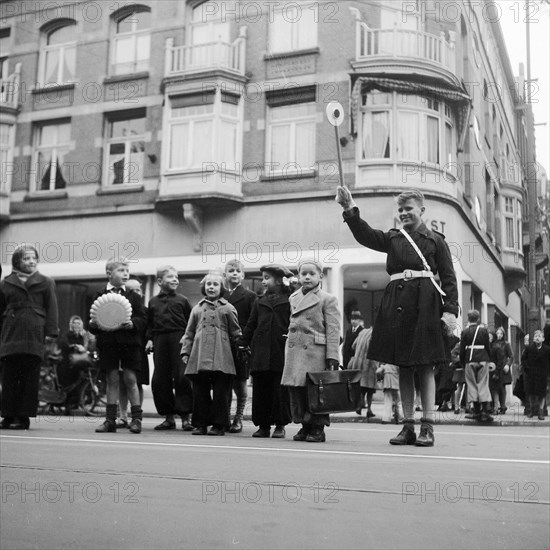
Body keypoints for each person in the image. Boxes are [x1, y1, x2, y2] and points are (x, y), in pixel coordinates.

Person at [336, 187, 459, 447]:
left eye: (409, 209)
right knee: (403, 366)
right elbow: (365, 235)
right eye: (400, 210)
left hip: (425, 305)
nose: (404, 213)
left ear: (422, 210)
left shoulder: (436, 241)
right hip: (397, 305)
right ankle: (408, 425)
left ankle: (428, 426)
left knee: (425, 366)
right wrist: (349, 209)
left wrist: (450, 311)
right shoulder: (393, 238)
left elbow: (449, 279)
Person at [281, 258, 341, 443]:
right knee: (297, 391)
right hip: (296, 350)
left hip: (316, 352)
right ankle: (304, 425)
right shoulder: (293, 297)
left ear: (320, 276)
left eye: (311, 274)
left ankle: (317, 427)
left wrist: (332, 356)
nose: (307, 277)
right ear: (298, 276)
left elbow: (333, 330)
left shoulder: (328, 299)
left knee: (315, 392)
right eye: (303, 274)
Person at [0, 244, 59, 430]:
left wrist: (51, 334)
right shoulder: (5, 283)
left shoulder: (46, 282)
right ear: (17, 261)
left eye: (34, 258)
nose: (31, 261)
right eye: (26, 258)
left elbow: (52, 309)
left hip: (34, 335)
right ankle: (8, 416)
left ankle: (23, 417)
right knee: (9, 377)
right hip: (11, 335)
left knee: (28, 378)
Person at [180, 270, 242, 436]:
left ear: (221, 287)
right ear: (204, 287)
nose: (211, 287)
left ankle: (219, 425)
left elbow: (236, 333)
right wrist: (185, 352)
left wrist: (241, 350)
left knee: (221, 392)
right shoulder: (197, 309)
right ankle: (200, 424)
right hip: (199, 356)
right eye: (209, 284)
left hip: (222, 356)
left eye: (215, 284)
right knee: (200, 392)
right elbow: (189, 333)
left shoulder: (228, 309)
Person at [89, 258, 147, 434]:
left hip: (129, 344)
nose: (126, 273)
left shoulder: (133, 296)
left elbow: (143, 319)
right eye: (121, 270)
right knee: (112, 379)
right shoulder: (99, 295)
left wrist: (133, 324)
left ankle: (136, 419)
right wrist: (95, 324)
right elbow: (91, 319)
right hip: (108, 344)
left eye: (127, 270)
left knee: (130, 379)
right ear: (109, 274)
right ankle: (110, 420)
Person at [239, 264, 293, 438]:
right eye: (263, 278)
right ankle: (263, 425)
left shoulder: (290, 300)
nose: (263, 281)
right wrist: (243, 342)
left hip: (280, 351)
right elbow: (251, 324)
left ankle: (280, 425)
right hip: (260, 353)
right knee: (261, 390)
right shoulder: (259, 301)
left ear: (279, 280)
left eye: (267, 278)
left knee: (280, 391)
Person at [146, 266, 193, 431]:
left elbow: (191, 323)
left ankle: (186, 417)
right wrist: (150, 340)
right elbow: (149, 325)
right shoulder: (152, 302)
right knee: (160, 379)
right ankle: (169, 417)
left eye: (176, 277)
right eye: (170, 277)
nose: (175, 279)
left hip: (179, 339)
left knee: (182, 377)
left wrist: (187, 339)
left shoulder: (183, 300)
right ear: (159, 281)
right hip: (160, 340)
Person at [224, 259, 257, 433]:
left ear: (243, 275)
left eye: (238, 271)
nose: (234, 273)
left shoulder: (250, 296)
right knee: (224, 383)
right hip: (223, 344)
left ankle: (238, 418)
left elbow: (253, 322)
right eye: (231, 271)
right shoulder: (220, 295)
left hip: (241, 344)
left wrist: (247, 343)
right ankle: (224, 417)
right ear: (225, 274)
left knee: (240, 382)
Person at [116, 278, 151, 429]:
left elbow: (150, 328)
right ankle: (122, 416)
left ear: (142, 292)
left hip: (140, 350)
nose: (135, 293)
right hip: (124, 349)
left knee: (138, 383)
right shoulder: (118, 309)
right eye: (131, 290)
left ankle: (136, 417)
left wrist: (150, 340)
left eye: (138, 290)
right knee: (122, 384)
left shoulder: (146, 311)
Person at [459, 310, 494, 423]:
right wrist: (489, 358)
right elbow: (488, 346)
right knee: (483, 384)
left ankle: (476, 411)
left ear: (468, 319)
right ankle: (485, 411)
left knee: (472, 385)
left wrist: (462, 361)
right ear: (478, 319)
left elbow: (462, 349)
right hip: (483, 359)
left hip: (469, 359)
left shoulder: (465, 332)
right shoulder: (483, 331)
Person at [55, 315, 96, 408]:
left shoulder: (84, 336)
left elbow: (90, 346)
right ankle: (70, 401)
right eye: (74, 323)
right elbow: (63, 343)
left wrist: (86, 346)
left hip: (80, 362)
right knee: (71, 379)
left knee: (84, 375)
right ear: (71, 324)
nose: (76, 325)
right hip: (68, 362)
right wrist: (74, 346)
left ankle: (80, 399)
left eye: (78, 323)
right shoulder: (67, 334)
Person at [347, 325, 377, 418]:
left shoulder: (362, 332)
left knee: (362, 387)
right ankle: (369, 409)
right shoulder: (374, 334)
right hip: (369, 364)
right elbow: (372, 348)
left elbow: (353, 346)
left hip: (359, 363)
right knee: (370, 389)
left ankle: (359, 406)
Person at [521, 330, 550, 420]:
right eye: (535, 336)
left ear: (543, 339)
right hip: (531, 374)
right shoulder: (529, 348)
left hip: (542, 375)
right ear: (533, 338)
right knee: (531, 393)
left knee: (542, 394)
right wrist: (527, 368)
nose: (537, 338)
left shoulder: (547, 349)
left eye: (539, 336)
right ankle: (532, 410)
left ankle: (541, 412)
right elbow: (523, 359)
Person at [489, 327, 513, 415]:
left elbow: (511, 356)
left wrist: (508, 365)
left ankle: (502, 406)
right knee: (494, 387)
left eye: (501, 333)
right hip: (495, 367)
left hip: (503, 367)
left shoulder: (506, 344)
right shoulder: (493, 344)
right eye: (498, 333)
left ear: (503, 335)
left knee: (502, 387)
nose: (499, 335)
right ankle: (495, 406)